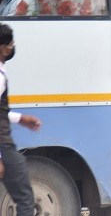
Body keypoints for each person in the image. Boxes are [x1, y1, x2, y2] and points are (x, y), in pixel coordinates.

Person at [0, 23, 43, 216]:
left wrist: (20, 119)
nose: (13, 46)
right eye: (11, 43)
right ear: (3, 48)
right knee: (25, 200)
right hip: (3, 147)